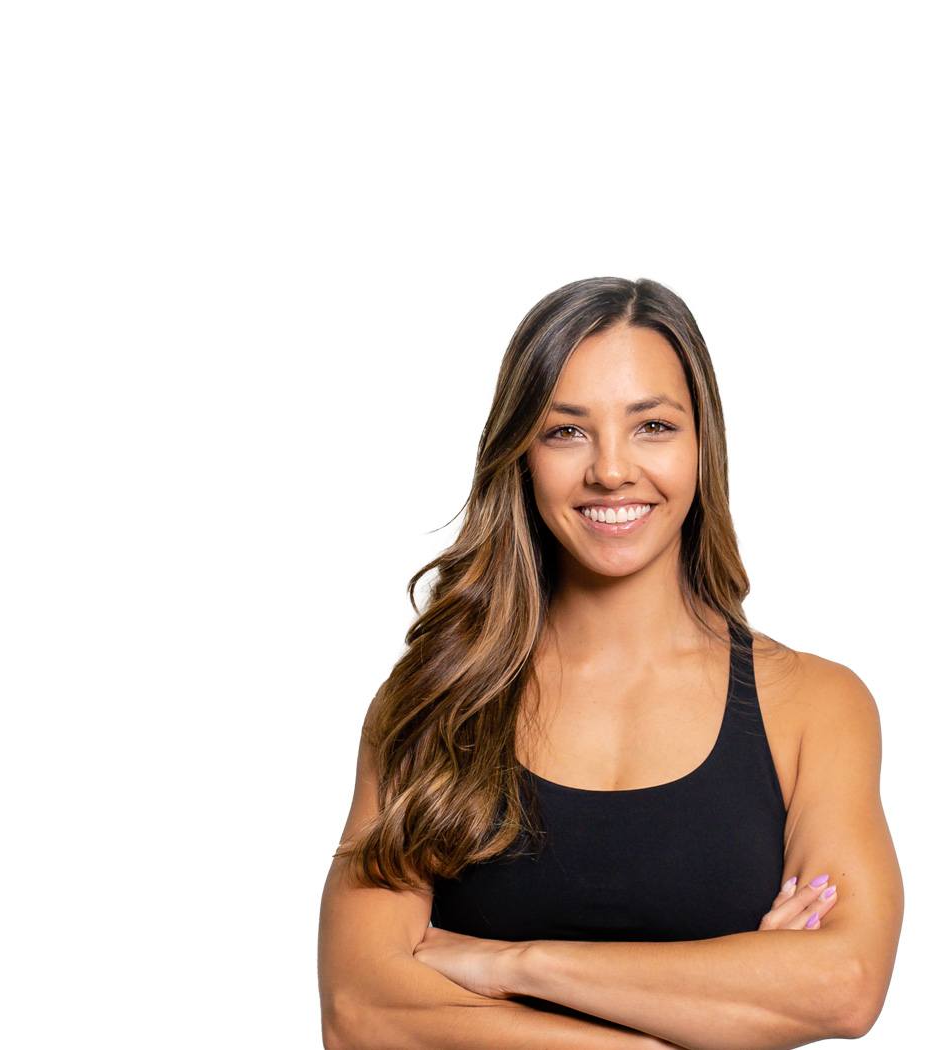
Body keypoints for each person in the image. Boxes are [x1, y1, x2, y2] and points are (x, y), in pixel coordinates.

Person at [318, 276, 904, 1049]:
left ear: (703, 444)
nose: (612, 470)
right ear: (521, 454)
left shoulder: (815, 706)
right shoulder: (436, 699)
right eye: (566, 432)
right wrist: (714, 1010)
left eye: (653, 426)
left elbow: (843, 986)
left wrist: (514, 965)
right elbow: (362, 1013)